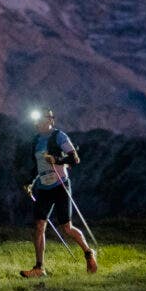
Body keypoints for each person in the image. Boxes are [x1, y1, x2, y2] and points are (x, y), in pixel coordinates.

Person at [20, 109, 98, 277]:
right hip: (43, 188)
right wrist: (29, 182)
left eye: (41, 120)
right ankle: (39, 268)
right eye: (36, 121)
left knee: (66, 227)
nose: (37, 123)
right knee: (39, 225)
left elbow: (74, 159)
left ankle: (88, 252)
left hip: (61, 185)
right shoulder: (36, 141)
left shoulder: (59, 137)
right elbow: (38, 166)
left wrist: (57, 160)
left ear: (50, 120)